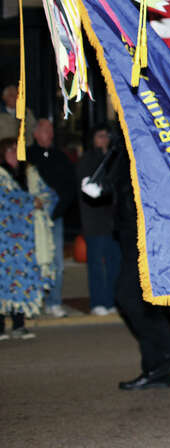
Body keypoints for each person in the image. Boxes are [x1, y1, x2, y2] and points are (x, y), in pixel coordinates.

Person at [94, 131, 170, 390]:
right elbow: (123, 180)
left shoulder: (146, 134)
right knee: (142, 301)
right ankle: (156, 368)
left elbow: (152, 182)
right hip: (128, 228)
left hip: (146, 230)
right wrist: (103, 188)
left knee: (128, 296)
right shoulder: (124, 137)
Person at [0, 137, 56, 340]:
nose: (14, 153)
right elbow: (5, 200)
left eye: (17, 149)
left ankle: (18, 324)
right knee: (2, 280)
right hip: (4, 240)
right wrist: (31, 202)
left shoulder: (30, 173)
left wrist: (41, 201)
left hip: (28, 240)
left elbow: (48, 194)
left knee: (22, 279)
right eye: (10, 150)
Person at [28, 118, 77, 318]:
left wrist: (56, 211)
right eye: (46, 130)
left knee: (56, 260)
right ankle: (33, 300)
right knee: (34, 258)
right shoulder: (28, 156)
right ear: (36, 134)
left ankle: (54, 301)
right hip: (32, 218)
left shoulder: (60, 157)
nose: (50, 134)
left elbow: (69, 187)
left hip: (54, 216)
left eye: (51, 130)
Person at [77, 126, 120, 316]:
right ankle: (98, 301)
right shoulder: (87, 160)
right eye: (100, 136)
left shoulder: (114, 160)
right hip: (94, 221)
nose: (104, 139)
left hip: (113, 222)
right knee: (96, 264)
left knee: (114, 263)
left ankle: (112, 300)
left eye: (106, 136)